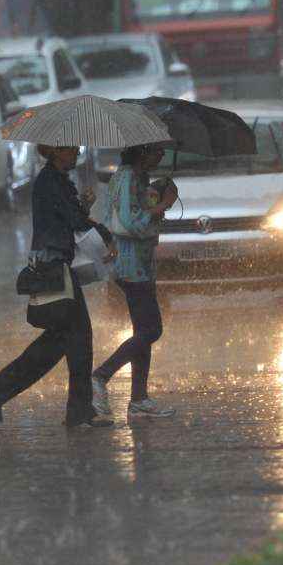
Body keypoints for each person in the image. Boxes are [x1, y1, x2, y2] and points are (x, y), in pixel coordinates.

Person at [0, 144, 116, 427]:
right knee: (76, 339)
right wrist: (106, 236)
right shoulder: (50, 182)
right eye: (70, 148)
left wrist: (83, 207)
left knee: (62, 341)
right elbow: (73, 221)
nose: (76, 152)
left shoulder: (58, 181)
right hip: (55, 270)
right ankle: (74, 410)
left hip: (58, 266)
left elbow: (69, 218)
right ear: (54, 151)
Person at [92, 143, 178, 420]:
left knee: (143, 332)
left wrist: (158, 200)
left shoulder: (135, 177)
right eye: (157, 151)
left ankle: (139, 398)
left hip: (140, 263)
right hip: (131, 266)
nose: (161, 155)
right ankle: (101, 375)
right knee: (152, 330)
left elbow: (141, 217)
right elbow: (131, 223)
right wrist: (162, 206)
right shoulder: (128, 177)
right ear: (143, 151)